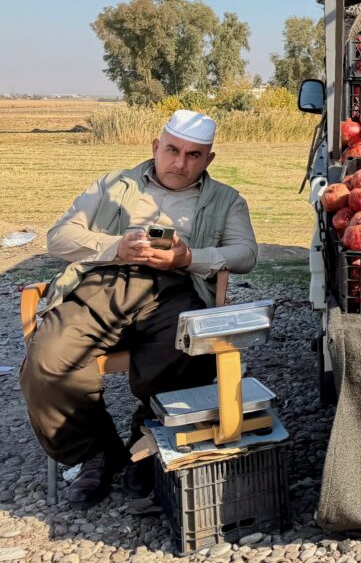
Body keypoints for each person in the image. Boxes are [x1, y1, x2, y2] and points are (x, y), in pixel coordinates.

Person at [20, 109, 258, 507]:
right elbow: (58, 238)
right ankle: (94, 452)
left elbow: (245, 253)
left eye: (194, 155)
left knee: (186, 354)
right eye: (173, 150)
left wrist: (189, 258)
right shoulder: (113, 184)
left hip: (174, 289)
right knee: (47, 360)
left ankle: (148, 438)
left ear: (209, 159)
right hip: (105, 283)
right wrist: (115, 247)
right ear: (155, 147)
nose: (180, 163)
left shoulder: (227, 199)